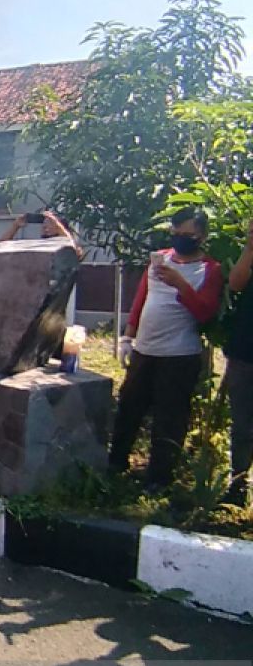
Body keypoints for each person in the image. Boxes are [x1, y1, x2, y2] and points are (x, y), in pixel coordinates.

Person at [110, 207, 223, 491]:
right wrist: (127, 337)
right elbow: (141, 301)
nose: (181, 238)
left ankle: (159, 479)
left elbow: (205, 312)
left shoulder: (210, 269)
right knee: (128, 407)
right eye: (176, 233)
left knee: (169, 418)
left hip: (179, 355)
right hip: (145, 350)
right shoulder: (159, 260)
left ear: (201, 235)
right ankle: (116, 464)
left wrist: (181, 285)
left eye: (187, 234)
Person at [222, 219, 253, 507]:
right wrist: (250, 245)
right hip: (245, 351)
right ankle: (238, 484)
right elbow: (236, 282)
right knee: (242, 425)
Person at [1, 209, 85, 260]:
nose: (45, 227)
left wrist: (58, 227)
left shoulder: (67, 249)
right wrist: (15, 226)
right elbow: (0, 247)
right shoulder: (37, 247)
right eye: (44, 224)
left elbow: (74, 251)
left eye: (50, 224)